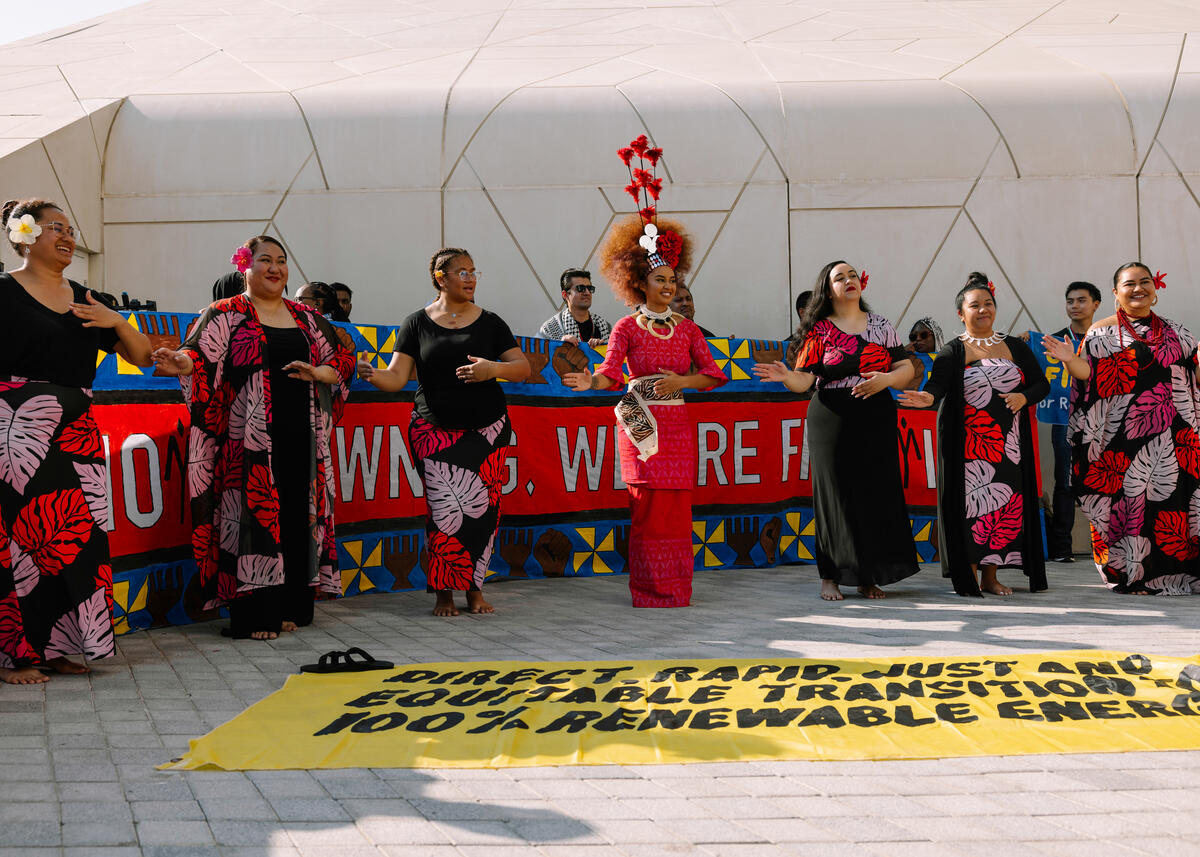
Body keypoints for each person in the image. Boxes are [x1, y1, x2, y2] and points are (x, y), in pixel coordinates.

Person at [153, 236, 355, 639]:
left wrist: (318, 373)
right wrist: (179, 362)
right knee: (254, 518)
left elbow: (343, 362)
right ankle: (256, 614)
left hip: (301, 435)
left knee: (298, 514)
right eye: (265, 260)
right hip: (247, 439)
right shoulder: (225, 313)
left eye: (281, 261)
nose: (275, 268)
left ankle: (291, 605)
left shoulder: (306, 318)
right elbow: (197, 356)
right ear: (245, 265)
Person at [0, 198, 153, 683]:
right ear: (24, 235)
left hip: (77, 433)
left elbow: (144, 358)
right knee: (20, 540)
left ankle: (59, 646)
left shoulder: (88, 297)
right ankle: (14, 655)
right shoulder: (3, 291)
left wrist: (117, 322)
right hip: (14, 430)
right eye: (54, 228)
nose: (68, 236)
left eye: (71, 228)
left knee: (75, 540)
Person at [563, 213, 727, 607]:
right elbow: (610, 373)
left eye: (673, 280)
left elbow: (713, 375)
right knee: (646, 507)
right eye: (660, 280)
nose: (669, 286)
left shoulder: (687, 329)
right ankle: (649, 591)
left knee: (674, 509)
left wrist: (682, 383)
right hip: (639, 421)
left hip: (675, 422)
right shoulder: (626, 327)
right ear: (640, 282)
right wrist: (592, 383)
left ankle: (677, 590)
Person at [357, 248, 530, 617]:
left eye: (473, 271)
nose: (470, 278)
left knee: (484, 511)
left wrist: (491, 370)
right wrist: (373, 375)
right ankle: (443, 593)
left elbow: (522, 368)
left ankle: (475, 590)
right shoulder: (416, 323)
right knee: (443, 509)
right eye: (461, 272)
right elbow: (397, 377)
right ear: (440, 277)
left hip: (488, 431)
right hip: (433, 432)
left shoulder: (491, 322)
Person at [753, 262, 918, 600]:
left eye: (853, 275)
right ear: (828, 290)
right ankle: (830, 575)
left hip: (876, 413)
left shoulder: (882, 326)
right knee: (835, 495)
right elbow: (805, 381)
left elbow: (904, 367)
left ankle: (866, 575)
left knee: (873, 493)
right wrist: (787, 377)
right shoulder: (820, 331)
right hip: (832, 415)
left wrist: (887, 379)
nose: (849, 281)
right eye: (840, 278)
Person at [1046, 263, 1200, 595]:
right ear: (1116, 293)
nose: (1139, 288)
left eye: (1145, 282)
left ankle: (1181, 576)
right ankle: (1136, 576)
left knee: (1171, 506)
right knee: (1132, 506)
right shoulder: (1101, 333)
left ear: (1155, 290)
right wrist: (1068, 359)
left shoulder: (1179, 333)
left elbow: (1194, 379)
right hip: (1121, 438)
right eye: (1129, 284)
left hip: (1174, 437)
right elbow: (1087, 375)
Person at [899, 273, 1049, 597]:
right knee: (970, 509)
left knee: (1000, 507)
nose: (983, 310)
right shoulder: (954, 350)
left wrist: (1024, 397)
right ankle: (966, 576)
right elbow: (937, 386)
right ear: (961, 313)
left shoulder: (1015, 347)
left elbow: (1041, 383)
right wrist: (928, 397)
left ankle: (990, 577)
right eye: (975, 305)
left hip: (1008, 445)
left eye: (988, 304)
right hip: (968, 445)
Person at [1043, 282, 1102, 562]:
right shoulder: (1052, 341)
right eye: (1070, 301)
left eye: (1081, 300)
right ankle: (1062, 548)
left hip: (1103, 418)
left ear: (1096, 304)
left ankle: (1107, 546)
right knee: (1065, 482)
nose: (1075, 306)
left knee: (1104, 481)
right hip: (1064, 419)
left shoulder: (1106, 338)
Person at [537, 268, 612, 346]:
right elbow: (537, 356)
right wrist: (559, 346)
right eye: (581, 288)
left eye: (589, 288)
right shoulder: (550, 329)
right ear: (565, 295)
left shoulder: (605, 326)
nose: (587, 292)